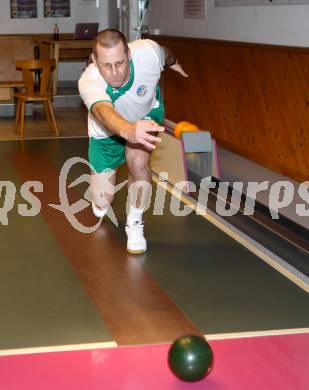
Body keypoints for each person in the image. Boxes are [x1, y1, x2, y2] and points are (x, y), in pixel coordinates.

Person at [78, 29, 188, 254]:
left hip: (145, 116)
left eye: (120, 62)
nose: (115, 72)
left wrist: (173, 62)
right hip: (105, 133)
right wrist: (128, 131)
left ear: (129, 54)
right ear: (94, 60)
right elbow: (102, 111)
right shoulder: (89, 80)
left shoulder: (147, 52)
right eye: (106, 65)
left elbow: (164, 53)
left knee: (139, 163)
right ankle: (100, 201)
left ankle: (135, 222)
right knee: (102, 200)